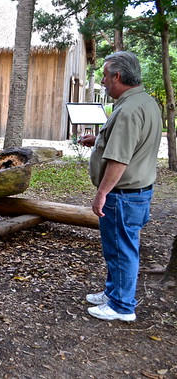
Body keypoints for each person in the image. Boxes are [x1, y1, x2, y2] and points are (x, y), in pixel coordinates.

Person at [78, 51, 162, 322]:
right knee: (118, 247)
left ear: (117, 76)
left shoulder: (127, 110)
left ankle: (122, 307)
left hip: (123, 195)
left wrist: (101, 193)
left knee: (122, 249)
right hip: (138, 191)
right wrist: (98, 140)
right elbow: (130, 143)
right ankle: (114, 293)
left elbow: (119, 158)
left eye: (104, 75)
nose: (103, 81)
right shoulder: (144, 102)